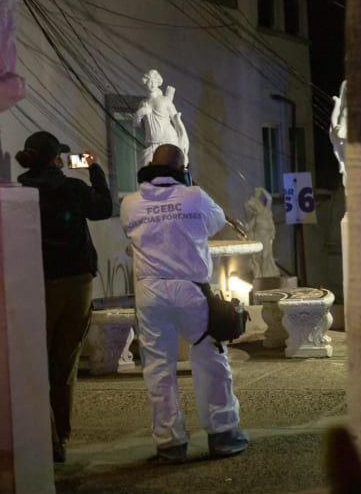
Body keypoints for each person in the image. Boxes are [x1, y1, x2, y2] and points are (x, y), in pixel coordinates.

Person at [120, 143, 248, 464]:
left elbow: (130, 232)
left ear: (151, 164)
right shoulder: (195, 197)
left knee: (158, 366)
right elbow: (216, 222)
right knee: (210, 356)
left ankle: (169, 442)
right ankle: (222, 433)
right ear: (183, 169)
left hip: (150, 291)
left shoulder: (130, 203)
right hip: (191, 290)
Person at [16, 131, 113, 463]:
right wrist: (93, 169)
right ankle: (61, 438)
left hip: (37, 285)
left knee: (37, 362)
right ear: (56, 159)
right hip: (77, 283)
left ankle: (47, 436)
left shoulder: (22, 195)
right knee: (65, 362)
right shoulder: (72, 189)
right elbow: (103, 208)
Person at [134, 69, 190, 166]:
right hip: (152, 144)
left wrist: (183, 136)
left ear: (158, 83)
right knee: (146, 170)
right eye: (149, 81)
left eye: (154, 81)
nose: (152, 84)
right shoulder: (143, 103)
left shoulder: (165, 100)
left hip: (169, 141)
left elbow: (176, 119)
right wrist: (140, 113)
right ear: (145, 82)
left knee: (171, 171)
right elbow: (136, 124)